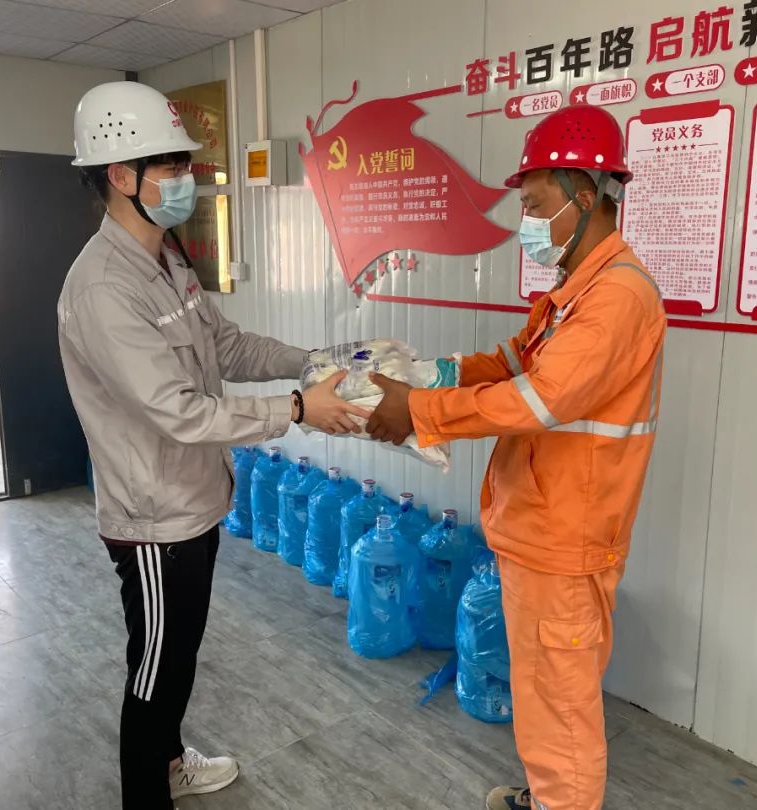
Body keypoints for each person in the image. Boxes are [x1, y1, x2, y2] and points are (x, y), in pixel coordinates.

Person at [57, 81, 365, 810]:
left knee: (178, 656)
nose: (185, 179)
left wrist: (308, 362)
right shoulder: (104, 288)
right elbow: (179, 412)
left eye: (184, 164)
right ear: (120, 175)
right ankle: (148, 794)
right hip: (154, 517)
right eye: (169, 166)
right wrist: (299, 410)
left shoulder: (166, 259)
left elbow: (225, 345)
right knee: (156, 670)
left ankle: (169, 762)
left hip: (194, 499)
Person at [365, 105, 666, 810]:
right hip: (542, 526)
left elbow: (540, 399)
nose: (525, 220)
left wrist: (419, 413)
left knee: (561, 707)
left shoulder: (617, 297)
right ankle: (547, 798)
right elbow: (516, 361)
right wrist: (435, 373)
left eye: (533, 204)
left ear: (583, 196)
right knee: (543, 692)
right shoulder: (575, 291)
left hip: (567, 536)